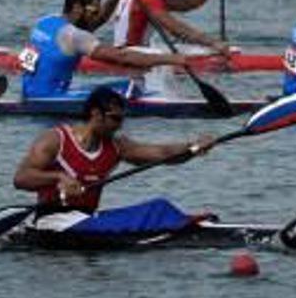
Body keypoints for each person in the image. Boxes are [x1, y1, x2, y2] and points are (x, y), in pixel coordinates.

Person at [12, 86, 213, 214]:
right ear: (96, 114)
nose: (119, 125)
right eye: (115, 119)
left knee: (158, 208)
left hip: (86, 221)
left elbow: (161, 154)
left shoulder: (117, 146)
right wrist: (58, 178)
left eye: (122, 119)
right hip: (51, 220)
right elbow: (20, 178)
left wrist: (193, 147)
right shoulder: (55, 140)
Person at [21, 0, 191, 100]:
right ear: (77, 8)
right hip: (53, 99)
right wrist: (171, 59)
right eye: (93, 11)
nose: (96, 16)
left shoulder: (44, 22)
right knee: (131, 88)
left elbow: (97, 21)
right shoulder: (75, 36)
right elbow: (122, 57)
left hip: (28, 95)